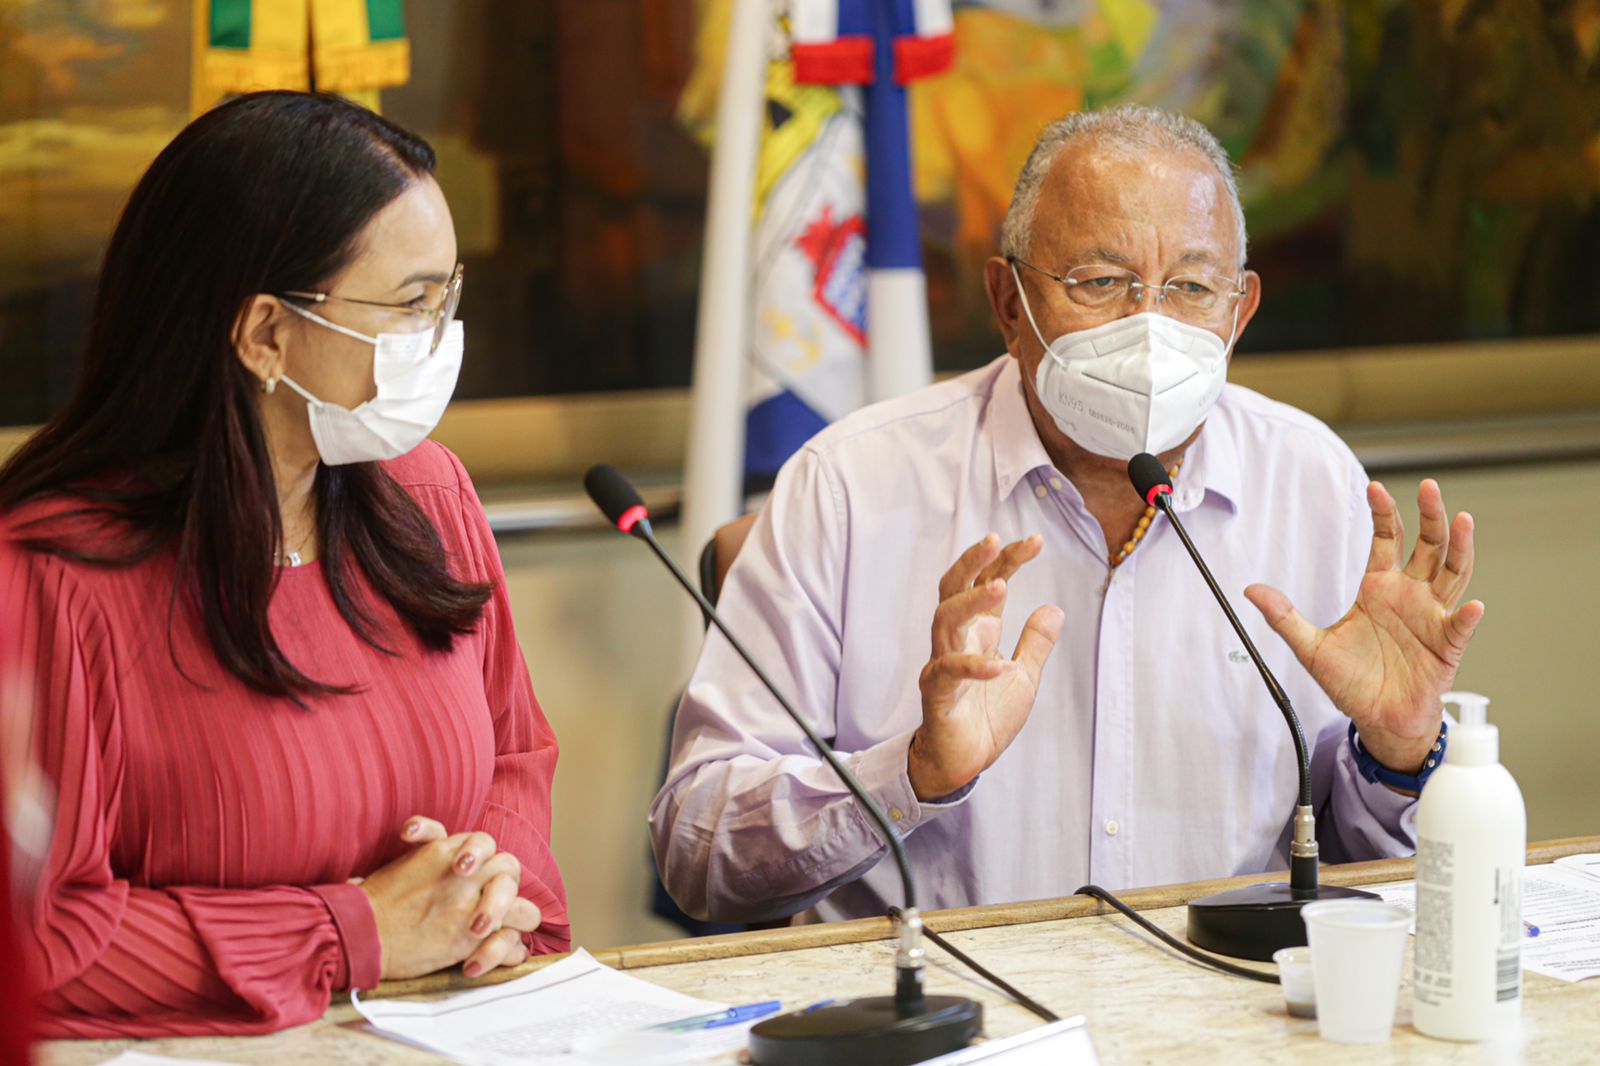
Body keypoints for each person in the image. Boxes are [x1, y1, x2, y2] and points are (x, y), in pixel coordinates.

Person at [652, 104, 1482, 924]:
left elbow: (1365, 877)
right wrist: (911, 776)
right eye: (1099, 281)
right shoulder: (850, 486)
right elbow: (697, 847)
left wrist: (1399, 751)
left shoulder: (1313, 483)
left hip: (1223, 1013)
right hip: (946, 1027)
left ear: (1240, 312)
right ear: (1007, 301)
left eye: (1191, 287)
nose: (1149, 327)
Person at [0, 92, 568, 1037]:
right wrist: (351, 932)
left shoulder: (428, 494)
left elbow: (514, 758)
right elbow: (39, 936)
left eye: (449, 296)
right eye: (413, 303)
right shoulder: (51, 575)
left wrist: (482, 896)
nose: (440, 337)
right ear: (265, 333)